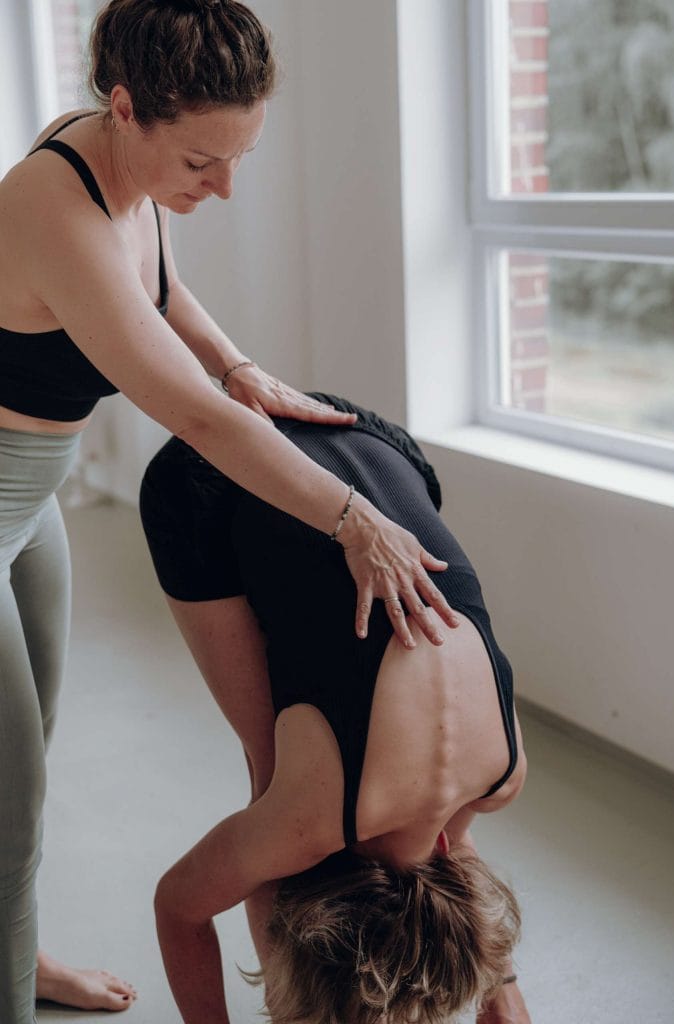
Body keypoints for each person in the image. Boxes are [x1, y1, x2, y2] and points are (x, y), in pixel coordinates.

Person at [0, 2, 459, 1020]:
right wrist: (353, 517)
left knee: (21, 763)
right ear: (125, 108)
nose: (224, 185)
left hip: (35, 508)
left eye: (239, 156)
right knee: (12, 802)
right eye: (204, 162)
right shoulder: (48, 198)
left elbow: (158, 287)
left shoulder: (123, 163)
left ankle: (15, 953)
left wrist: (240, 364)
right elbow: (200, 426)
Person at [141, 395, 532, 1024]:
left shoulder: (498, 779)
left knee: (303, 784)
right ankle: (296, 1010)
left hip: (376, 443)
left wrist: (505, 1009)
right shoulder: (309, 818)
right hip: (211, 471)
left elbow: (441, 848)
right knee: (272, 774)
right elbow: (177, 908)